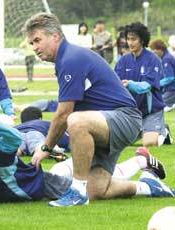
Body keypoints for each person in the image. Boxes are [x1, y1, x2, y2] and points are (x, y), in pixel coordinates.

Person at [21, 13, 172, 207]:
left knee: (76, 121)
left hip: (124, 118)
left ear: (55, 36)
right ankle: (148, 186)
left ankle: (77, 192)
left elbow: (64, 113)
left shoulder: (70, 59)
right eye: (32, 43)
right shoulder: (66, 59)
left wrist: (45, 148)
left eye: (37, 40)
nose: (35, 48)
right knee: (97, 190)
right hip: (104, 123)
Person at [0, 96, 173, 206]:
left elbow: (14, 138)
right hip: (43, 169)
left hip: (42, 184)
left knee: (95, 190)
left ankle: (148, 183)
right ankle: (141, 164)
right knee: (83, 175)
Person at [18, 107, 166, 181]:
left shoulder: (21, 127)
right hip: (38, 143)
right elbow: (68, 138)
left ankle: (141, 161)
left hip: (18, 136)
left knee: (61, 175)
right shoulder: (45, 124)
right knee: (58, 174)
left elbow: (75, 137)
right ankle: (142, 163)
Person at [115, 23, 167, 148]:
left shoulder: (153, 59)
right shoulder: (123, 61)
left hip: (151, 112)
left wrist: (130, 84)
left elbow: (147, 86)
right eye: (128, 39)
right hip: (132, 113)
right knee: (117, 143)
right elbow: (114, 83)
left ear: (142, 40)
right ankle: (150, 131)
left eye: (134, 39)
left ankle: (162, 132)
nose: (130, 42)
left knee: (148, 143)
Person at [149, 39, 175, 112]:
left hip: (172, 89)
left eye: (153, 50)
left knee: (157, 105)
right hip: (169, 89)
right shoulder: (166, 57)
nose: (152, 52)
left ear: (160, 49)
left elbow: (170, 78)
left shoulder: (166, 59)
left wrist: (156, 83)